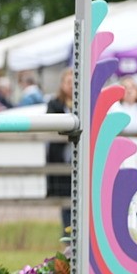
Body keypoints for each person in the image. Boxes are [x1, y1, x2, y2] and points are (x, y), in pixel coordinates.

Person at [46, 68, 75, 230]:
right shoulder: (54, 103)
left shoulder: (85, 103)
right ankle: (67, 234)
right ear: (62, 85)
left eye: (74, 83)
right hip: (61, 156)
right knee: (65, 199)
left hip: (78, 155)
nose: (71, 86)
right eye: (68, 82)